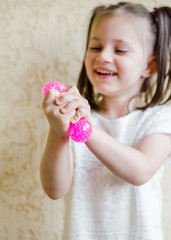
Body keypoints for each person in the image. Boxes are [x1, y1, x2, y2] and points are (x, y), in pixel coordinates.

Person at [40, 2, 171, 239]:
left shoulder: (161, 118)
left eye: (120, 50)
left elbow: (140, 170)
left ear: (149, 66)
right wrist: (58, 133)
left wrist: (85, 130)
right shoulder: (73, 119)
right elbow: (54, 189)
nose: (103, 56)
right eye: (95, 46)